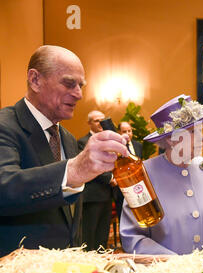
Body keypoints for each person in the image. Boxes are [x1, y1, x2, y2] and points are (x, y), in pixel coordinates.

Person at [0, 45, 129, 257]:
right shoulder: (6, 125)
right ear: (35, 80)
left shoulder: (67, 138)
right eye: (69, 83)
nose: (79, 94)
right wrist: (74, 170)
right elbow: (4, 187)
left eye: (81, 85)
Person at [120, 94, 203, 255]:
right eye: (192, 132)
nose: (202, 139)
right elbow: (132, 236)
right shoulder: (143, 175)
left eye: (200, 130)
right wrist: (176, 265)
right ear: (170, 139)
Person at [78, 110, 114, 251]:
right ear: (89, 123)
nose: (100, 123)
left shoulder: (108, 141)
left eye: (102, 120)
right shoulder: (82, 142)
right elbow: (91, 166)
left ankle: (102, 261)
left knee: (103, 233)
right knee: (90, 233)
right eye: (96, 120)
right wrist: (111, 178)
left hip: (107, 194)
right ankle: (89, 264)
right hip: (92, 196)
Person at [112, 121, 143, 222]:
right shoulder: (114, 147)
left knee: (138, 216)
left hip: (138, 186)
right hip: (122, 188)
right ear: (119, 133)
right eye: (124, 131)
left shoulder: (138, 145)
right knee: (124, 218)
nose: (128, 133)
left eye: (129, 131)